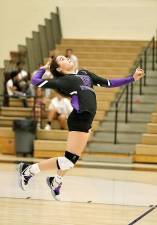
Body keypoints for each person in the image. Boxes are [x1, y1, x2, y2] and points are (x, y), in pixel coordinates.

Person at [18, 56, 144, 200]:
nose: (66, 58)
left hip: (87, 119)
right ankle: (29, 170)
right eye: (62, 59)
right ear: (59, 68)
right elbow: (36, 81)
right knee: (68, 161)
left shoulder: (85, 74)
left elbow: (108, 82)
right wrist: (44, 68)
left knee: (72, 159)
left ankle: (56, 181)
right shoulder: (62, 81)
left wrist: (132, 78)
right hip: (79, 118)